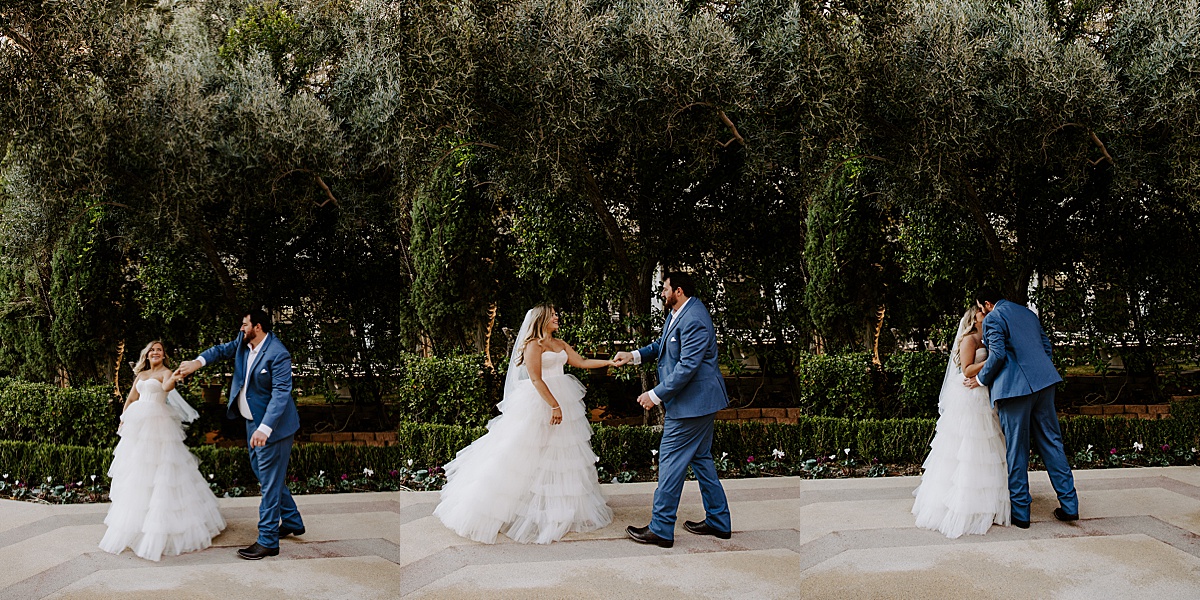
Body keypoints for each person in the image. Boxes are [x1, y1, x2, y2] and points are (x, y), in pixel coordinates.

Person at [434, 304, 615, 544]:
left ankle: (558, 507)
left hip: (564, 399)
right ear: (541, 319)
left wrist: (610, 363)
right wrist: (554, 405)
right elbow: (536, 379)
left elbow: (581, 362)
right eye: (553, 314)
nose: (557, 317)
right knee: (523, 452)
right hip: (541, 402)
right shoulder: (533, 345)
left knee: (560, 454)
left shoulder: (559, 344)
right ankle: (505, 506)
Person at [613, 272, 732, 548]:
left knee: (669, 461)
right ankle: (718, 520)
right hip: (697, 403)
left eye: (665, 289)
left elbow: (687, 367)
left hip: (693, 405)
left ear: (677, 290)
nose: (662, 293)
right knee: (701, 459)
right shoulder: (678, 313)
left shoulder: (694, 319)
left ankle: (661, 528)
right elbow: (661, 346)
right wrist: (633, 356)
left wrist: (655, 395)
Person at [175, 309, 304, 559]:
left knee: (268, 482)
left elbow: (280, 395)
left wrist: (265, 429)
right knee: (265, 475)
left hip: (272, 429)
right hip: (250, 422)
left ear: (257, 327)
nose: (241, 328)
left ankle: (268, 540)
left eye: (244, 325)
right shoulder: (244, 343)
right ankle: (292, 521)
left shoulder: (278, 354)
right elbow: (220, 351)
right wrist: (196, 363)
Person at [99, 341, 225, 561]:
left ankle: (161, 524)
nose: (155, 353)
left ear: (163, 355)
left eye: (159, 350)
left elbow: (167, 388)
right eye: (152, 350)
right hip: (137, 426)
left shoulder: (167, 373)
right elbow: (131, 398)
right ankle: (137, 521)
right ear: (146, 355)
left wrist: (175, 377)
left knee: (161, 472)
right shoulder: (141, 374)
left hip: (157, 426)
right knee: (138, 471)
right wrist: (123, 418)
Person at [965, 287, 1079, 528]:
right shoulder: (1029, 314)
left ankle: (1021, 514)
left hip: (1014, 390)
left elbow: (998, 355)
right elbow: (1046, 348)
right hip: (1045, 383)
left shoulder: (995, 317)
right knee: (1052, 442)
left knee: (1016, 450)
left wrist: (981, 379)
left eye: (981, 307)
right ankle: (1070, 506)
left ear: (987, 303)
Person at [912, 303, 1010, 538]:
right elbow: (966, 370)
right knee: (969, 448)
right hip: (970, 397)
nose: (985, 314)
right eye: (981, 312)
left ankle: (989, 503)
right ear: (973, 318)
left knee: (988, 450)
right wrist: (993, 361)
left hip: (983, 392)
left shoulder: (986, 336)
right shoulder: (969, 339)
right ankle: (967, 503)